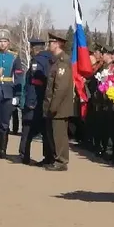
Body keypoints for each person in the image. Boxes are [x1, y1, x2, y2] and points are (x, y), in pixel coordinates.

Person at [0, 30, 24, 159]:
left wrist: (17, 94)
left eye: (5, 41)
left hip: (8, 92)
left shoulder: (14, 57)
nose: (2, 44)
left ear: (8, 43)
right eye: (0, 41)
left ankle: (3, 150)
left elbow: (18, 76)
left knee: (5, 123)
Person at [19, 38, 55, 166]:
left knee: (27, 129)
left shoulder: (37, 61)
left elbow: (35, 83)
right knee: (46, 131)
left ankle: (24, 155)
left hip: (35, 101)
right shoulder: (51, 60)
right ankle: (48, 157)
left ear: (34, 49)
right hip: (46, 101)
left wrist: (29, 101)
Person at [42, 33, 74, 171]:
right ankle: (54, 158)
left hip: (59, 107)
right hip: (53, 104)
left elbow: (60, 88)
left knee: (59, 134)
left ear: (57, 44)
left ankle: (61, 161)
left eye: (51, 42)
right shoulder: (55, 60)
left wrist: (53, 106)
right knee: (52, 134)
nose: (49, 45)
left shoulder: (63, 61)